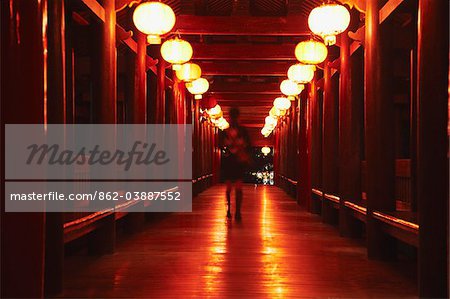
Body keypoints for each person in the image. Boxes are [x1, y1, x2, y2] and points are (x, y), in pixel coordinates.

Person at [220, 107, 251, 220]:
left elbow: (220, 145)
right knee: (238, 187)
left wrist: (228, 145)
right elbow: (248, 145)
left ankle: (229, 210)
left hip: (229, 160)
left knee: (229, 187)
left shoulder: (225, 131)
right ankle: (237, 211)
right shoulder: (243, 131)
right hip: (238, 161)